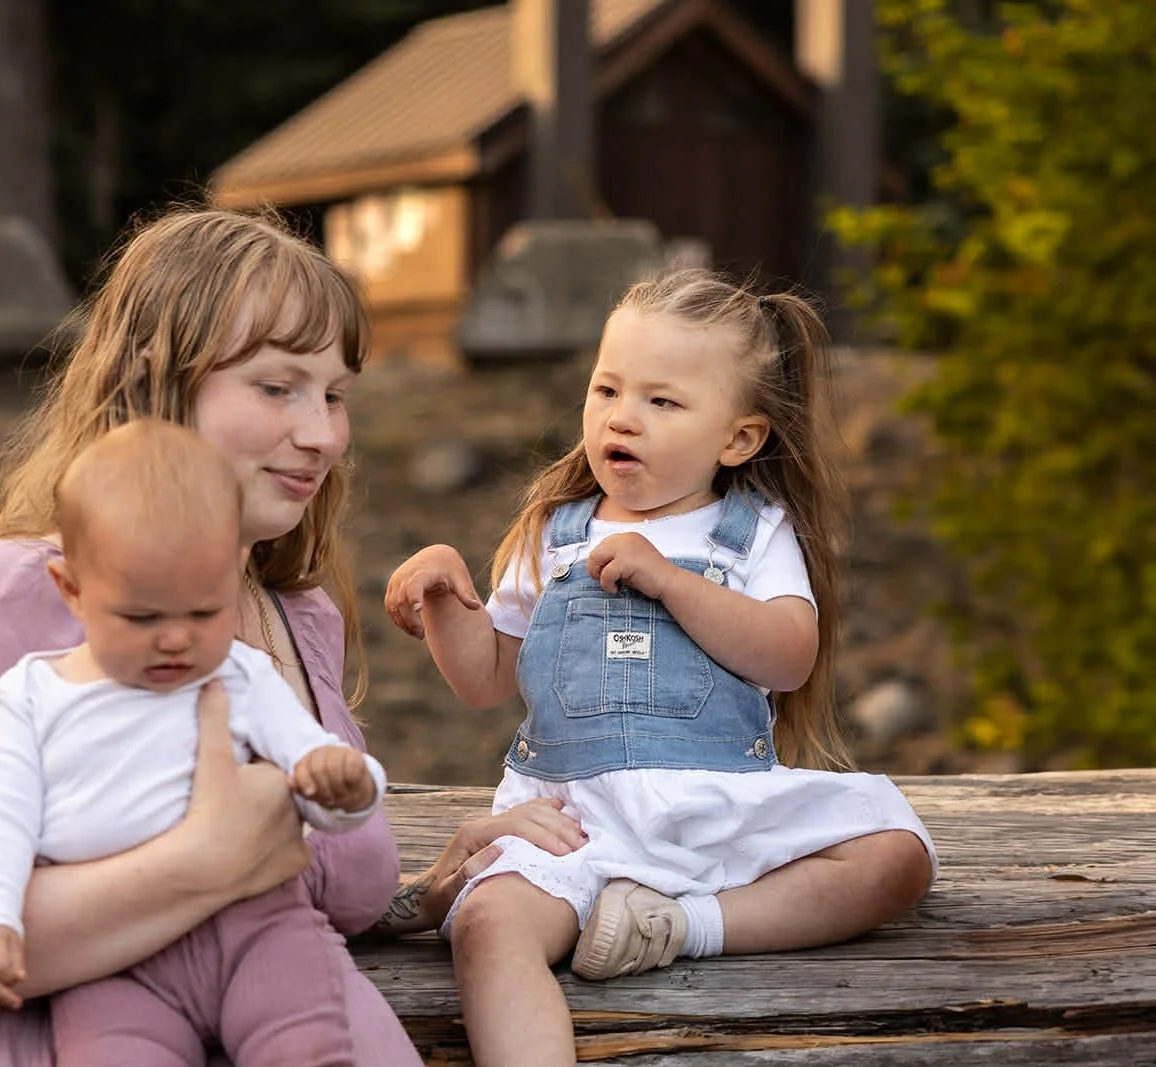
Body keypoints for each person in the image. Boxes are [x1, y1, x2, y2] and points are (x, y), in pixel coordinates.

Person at [0, 205, 589, 1066]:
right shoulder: (11, 597)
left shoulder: (294, 611)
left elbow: (299, 888)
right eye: (277, 387)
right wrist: (203, 858)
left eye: (335, 395)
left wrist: (418, 894)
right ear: (152, 384)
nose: (320, 434)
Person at [385, 269, 938, 1067]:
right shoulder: (557, 529)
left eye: (662, 401)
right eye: (607, 388)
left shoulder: (750, 532)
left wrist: (672, 580)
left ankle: (682, 925)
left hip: (715, 809)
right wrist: (445, 592)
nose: (622, 417)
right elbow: (488, 677)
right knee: (485, 925)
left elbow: (789, 654)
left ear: (738, 438)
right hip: (570, 821)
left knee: (896, 852)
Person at [0, 419, 387, 1066]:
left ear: (234, 570)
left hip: (258, 925)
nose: (178, 638)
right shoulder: (33, 695)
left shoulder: (242, 673)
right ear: (72, 590)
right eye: (143, 616)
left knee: (309, 1043)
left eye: (204, 611)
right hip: (116, 956)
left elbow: (312, 769)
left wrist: (348, 786)